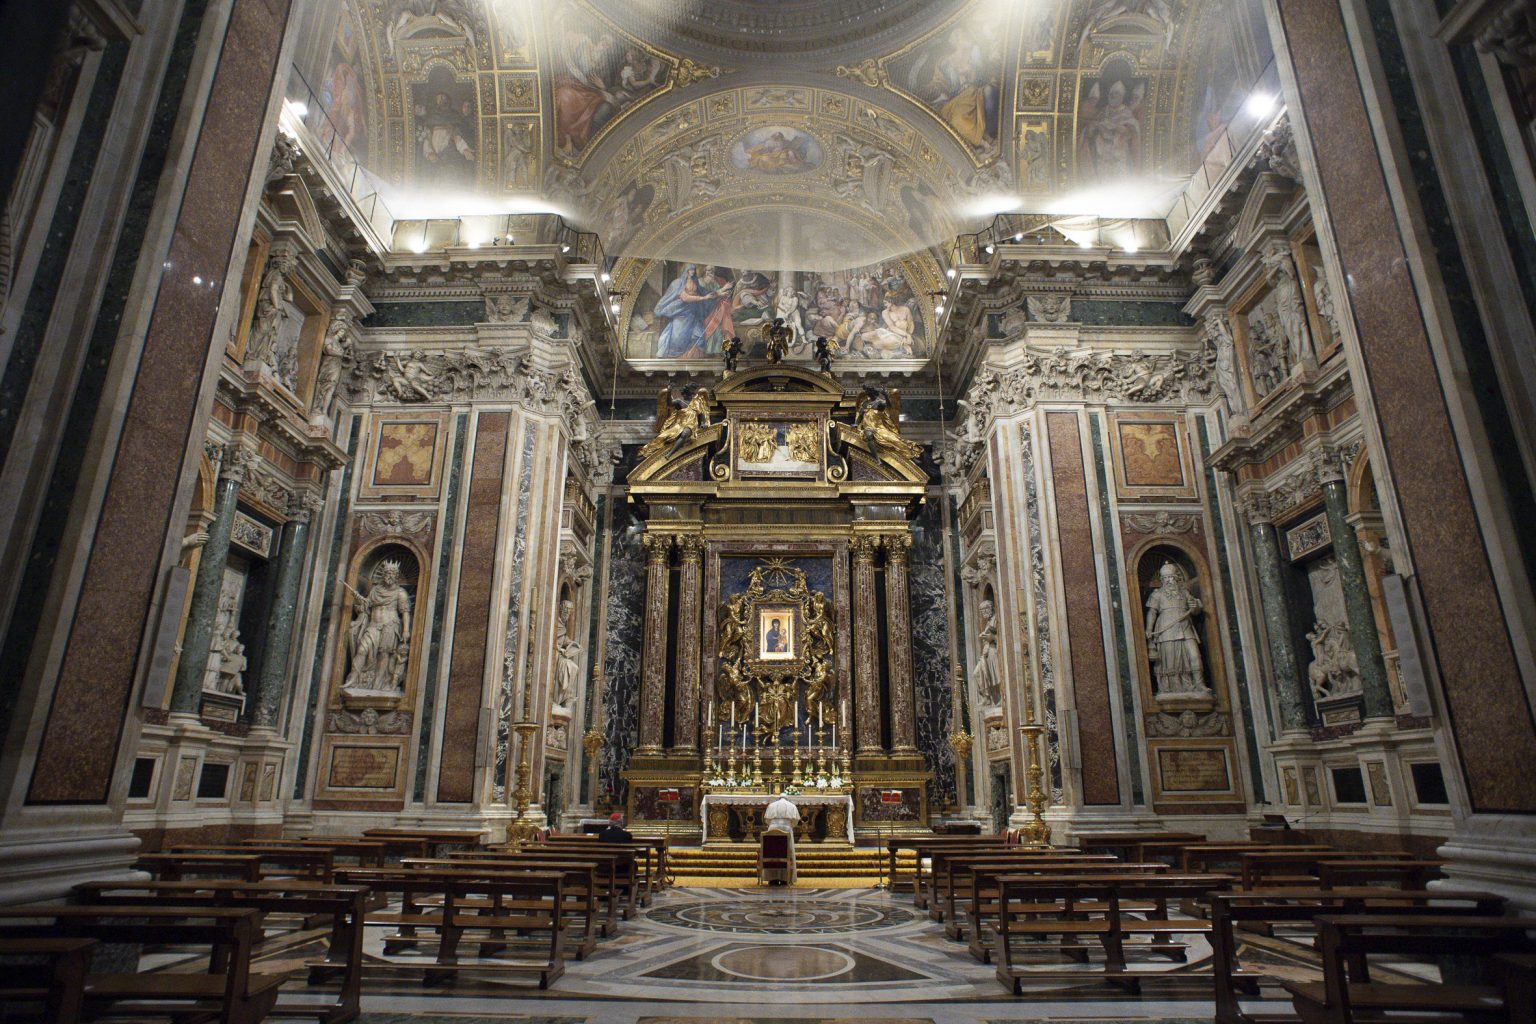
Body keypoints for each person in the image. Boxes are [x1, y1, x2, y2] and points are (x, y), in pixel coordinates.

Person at [762, 790, 801, 885]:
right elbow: (795, 821)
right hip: (786, 828)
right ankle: (785, 878)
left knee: (772, 852)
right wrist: (788, 825)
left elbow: (767, 820)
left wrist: (773, 824)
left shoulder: (771, 805)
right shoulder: (792, 806)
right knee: (787, 852)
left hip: (772, 828)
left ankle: (772, 878)